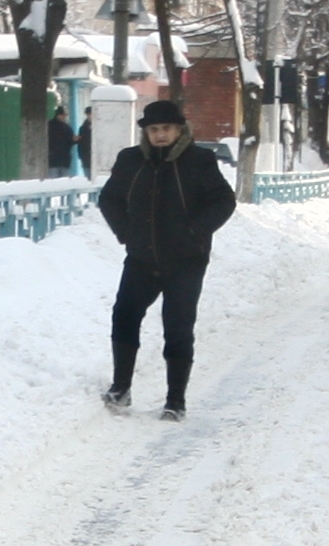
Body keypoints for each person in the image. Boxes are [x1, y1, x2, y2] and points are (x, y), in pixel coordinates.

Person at [94, 97, 235, 420]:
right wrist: (126, 232)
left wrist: (195, 231)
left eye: (166, 129)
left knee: (178, 327)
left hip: (186, 261)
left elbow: (224, 201)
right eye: (154, 129)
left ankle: (175, 400)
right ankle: (121, 387)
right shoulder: (130, 160)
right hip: (142, 259)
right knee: (124, 316)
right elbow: (110, 198)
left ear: (179, 130)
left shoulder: (199, 160)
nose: (160, 135)